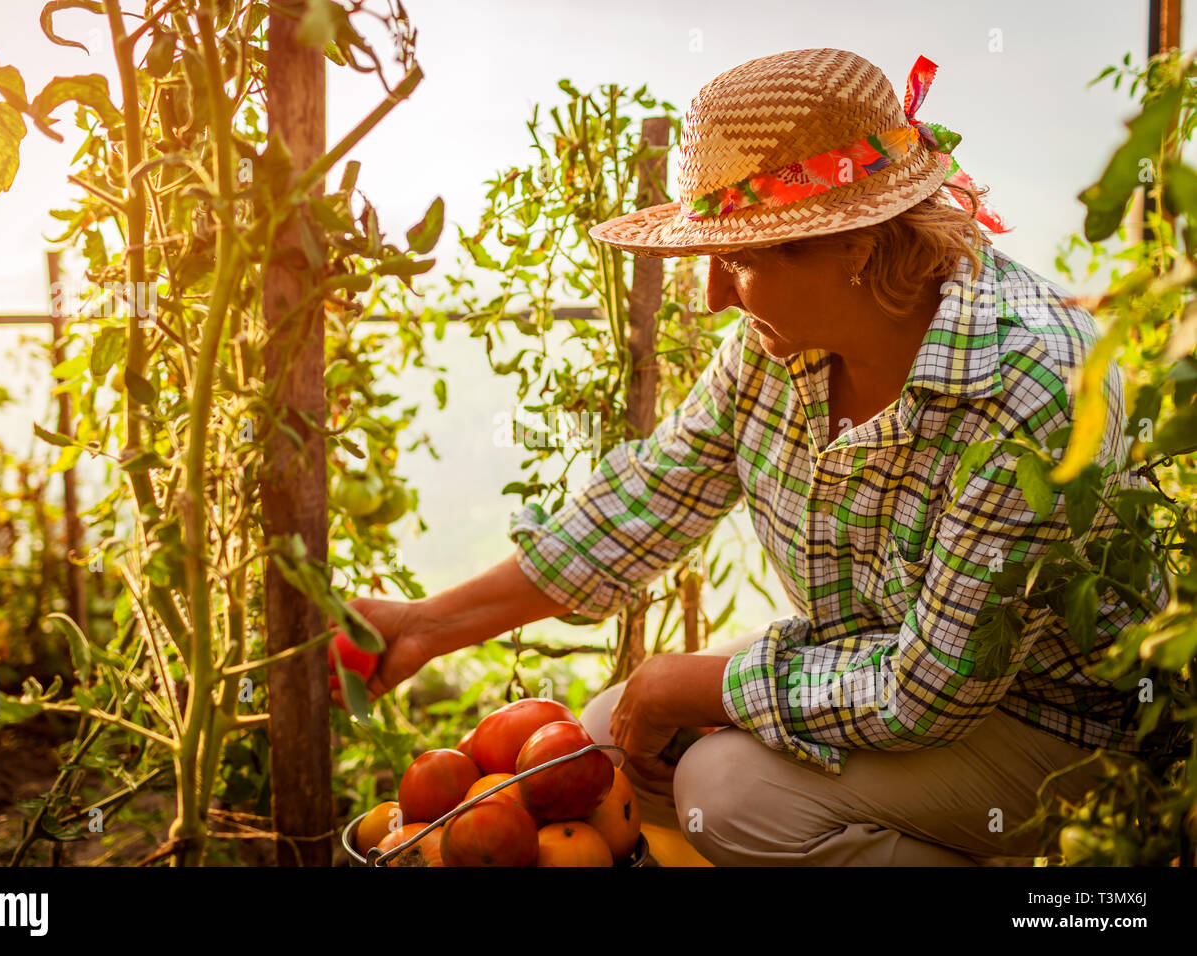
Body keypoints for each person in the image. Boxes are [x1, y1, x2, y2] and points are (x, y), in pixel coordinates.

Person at [344, 49, 1166, 865]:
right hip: (876, 660)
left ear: (854, 244)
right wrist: (426, 626)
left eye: (738, 258)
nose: (710, 296)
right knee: (601, 741)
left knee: (732, 794)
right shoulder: (780, 349)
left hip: (1055, 725)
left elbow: (928, 693)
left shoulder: (1029, 386)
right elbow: (646, 499)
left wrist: (694, 684)